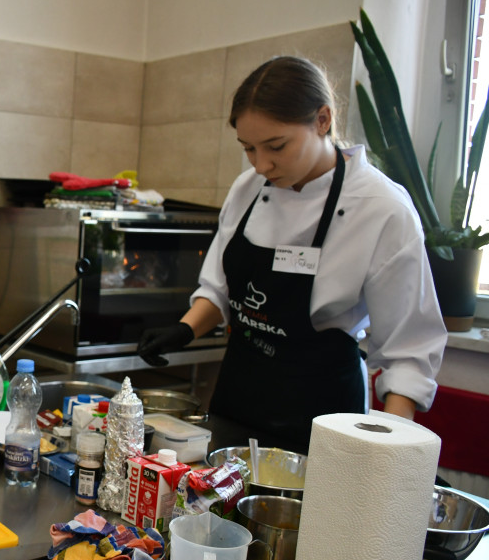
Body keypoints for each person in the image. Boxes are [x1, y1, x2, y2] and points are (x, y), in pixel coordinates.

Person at [137, 56, 446, 454]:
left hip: (324, 421)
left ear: (322, 120)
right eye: (248, 149)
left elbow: (408, 353)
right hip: (237, 401)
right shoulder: (249, 188)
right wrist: (184, 329)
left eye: (277, 146)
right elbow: (219, 287)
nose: (262, 164)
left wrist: (388, 454)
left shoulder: (381, 208)